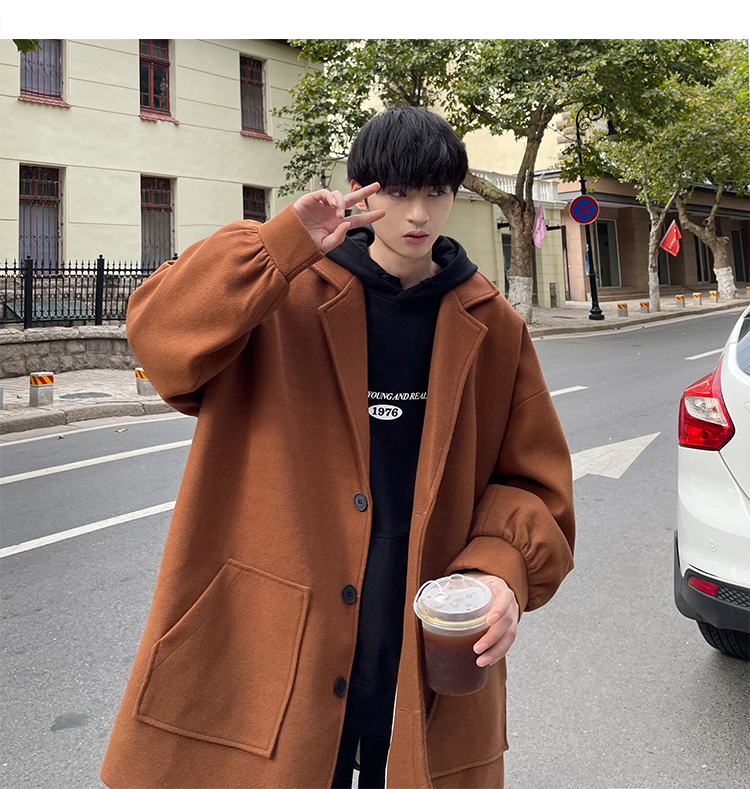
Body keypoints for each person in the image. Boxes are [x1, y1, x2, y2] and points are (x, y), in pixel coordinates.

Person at [100, 106, 575, 789]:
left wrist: (499, 571)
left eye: (435, 193)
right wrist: (278, 246)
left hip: (426, 633)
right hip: (276, 635)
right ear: (360, 190)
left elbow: (533, 482)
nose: (417, 214)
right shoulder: (282, 296)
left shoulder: (493, 325)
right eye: (396, 192)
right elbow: (159, 338)